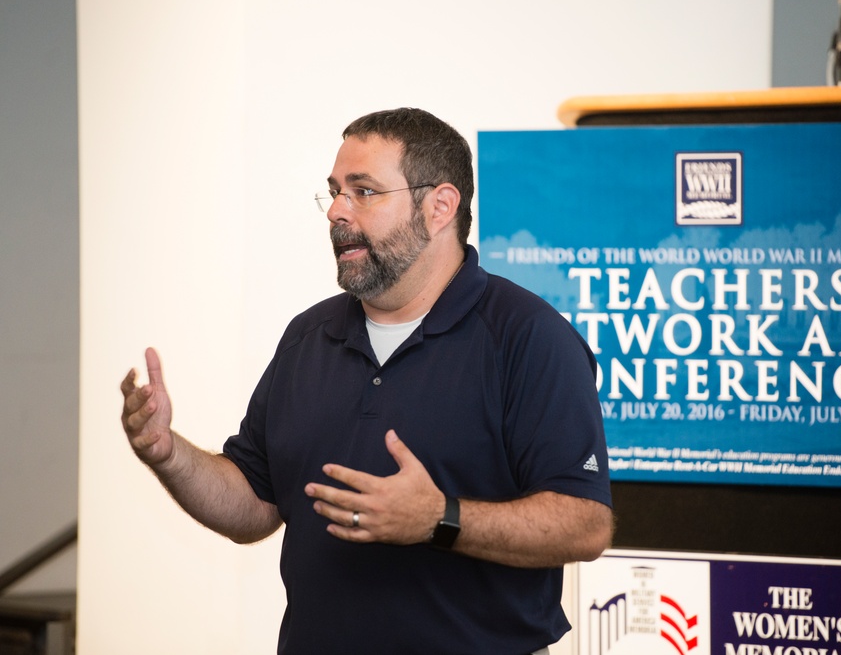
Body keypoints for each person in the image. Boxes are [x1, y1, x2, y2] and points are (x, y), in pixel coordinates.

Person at [120, 107, 613, 654]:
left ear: (439, 207)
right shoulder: (309, 337)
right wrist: (168, 453)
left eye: (364, 191)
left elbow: (584, 524)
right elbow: (254, 506)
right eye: (334, 191)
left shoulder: (528, 338)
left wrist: (438, 518)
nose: (335, 211)